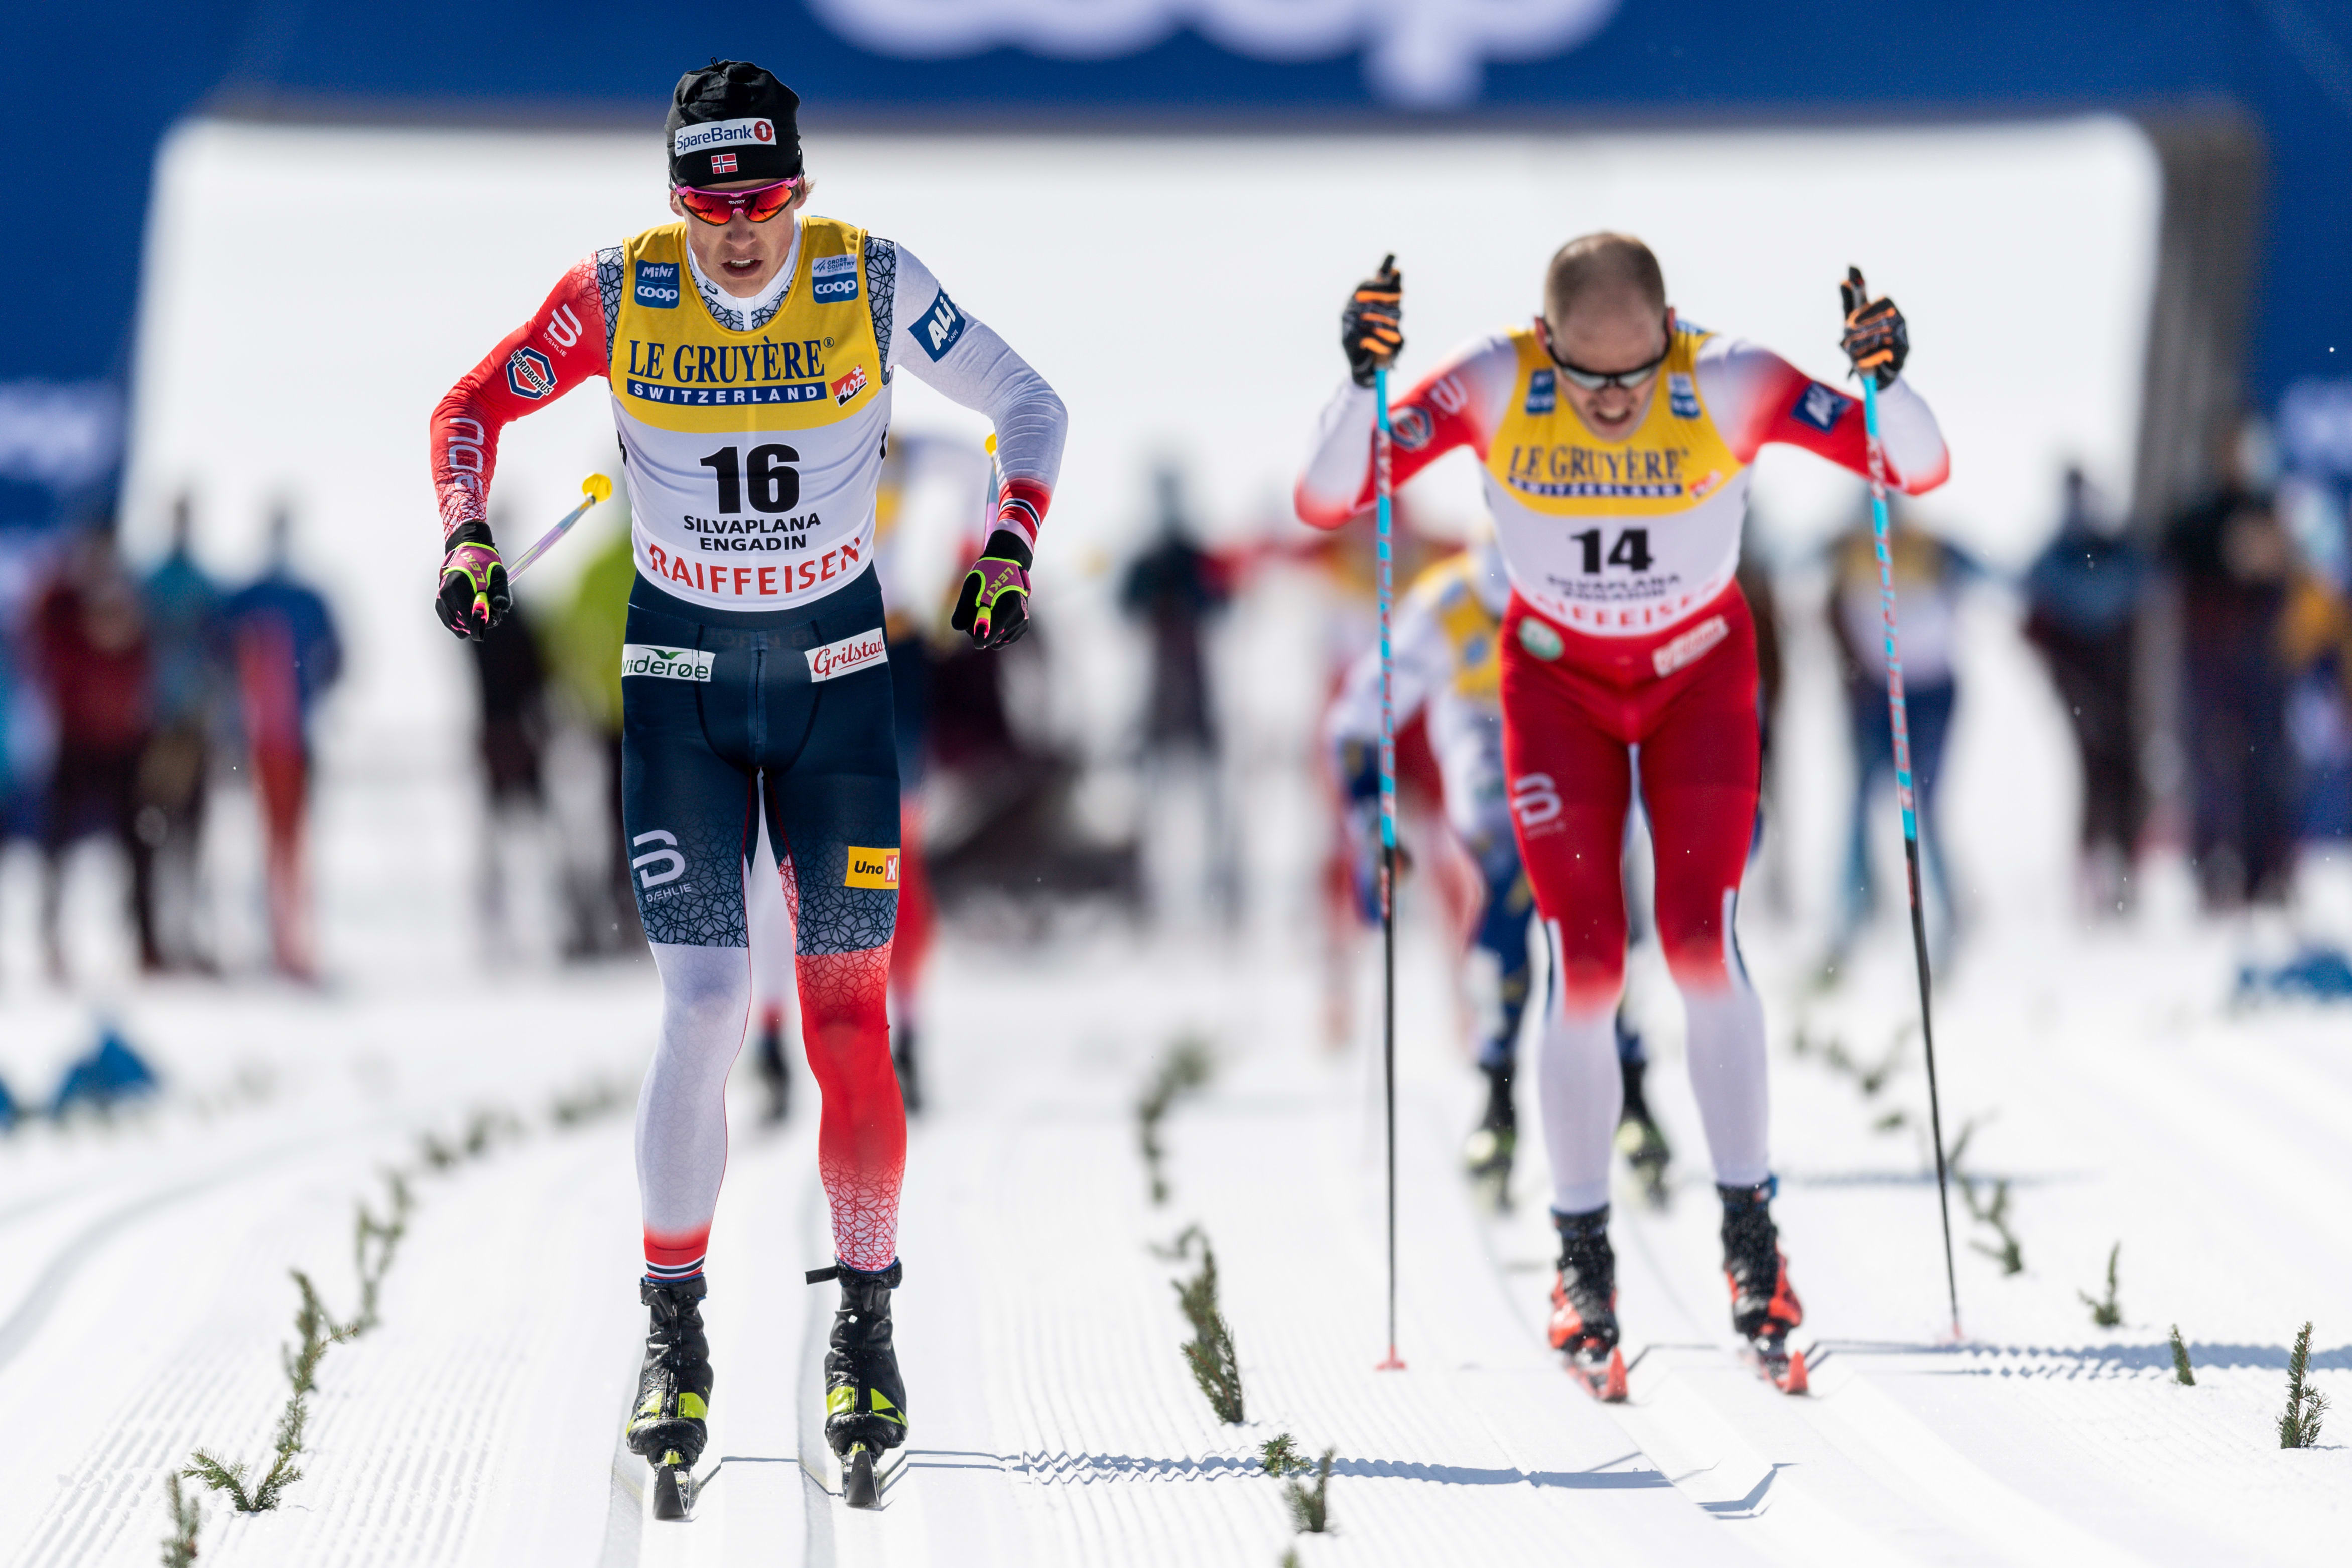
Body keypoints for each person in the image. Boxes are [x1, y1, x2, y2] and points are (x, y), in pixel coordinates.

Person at [426, 61, 1065, 1509]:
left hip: (838, 684)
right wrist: (466, 534)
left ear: (799, 190)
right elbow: (466, 407)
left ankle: (865, 1326)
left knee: (846, 1013)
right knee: (709, 1003)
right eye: (705, 205)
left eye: (760, 201)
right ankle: (674, 1333)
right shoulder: (618, 292)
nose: (734, 232)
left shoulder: (870, 278)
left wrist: (1010, 540)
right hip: (680, 688)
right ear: (674, 201)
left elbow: (1027, 403)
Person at [1296, 238, 1948, 1393]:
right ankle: (1581, 1258)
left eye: (1634, 374)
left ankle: (1752, 1241)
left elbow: (1915, 467)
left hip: (1698, 678)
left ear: (1670, 328)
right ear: (1545, 339)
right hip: (1556, 686)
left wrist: (1887, 381)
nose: (1610, 401)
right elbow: (1328, 496)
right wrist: (1360, 382)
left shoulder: (1729, 377)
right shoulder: (1495, 377)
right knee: (1585, 961)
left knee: (1697, 942)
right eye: (1585, 376)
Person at [1323, 533, 1669, 1209]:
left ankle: (1630, 1093)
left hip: (1586, 761)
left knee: (1603, 922)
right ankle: (1498, 1101)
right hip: (1493, 766)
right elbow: (1357, 720)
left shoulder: (1600, 571)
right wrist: (1370, 819)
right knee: (1511, 892)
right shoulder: (1453, 601)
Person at [1826, 500, 1975, 964]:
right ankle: (1853, 910)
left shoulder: (1933, 549)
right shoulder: (1849, 549)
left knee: (1923, 802)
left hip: (1931, 693)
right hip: (1877, 693)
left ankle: (1948, 910)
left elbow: (1988, 576)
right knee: (1861, 802)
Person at [2164, 422, 2295, 909]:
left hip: (2260, 660)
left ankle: (2266, 873)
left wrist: (2270, 556)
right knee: (2211, 765)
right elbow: (2171, 557)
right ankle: (2212, 869)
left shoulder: (2270, 510)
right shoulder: (2199, 516)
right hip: (2211, 661)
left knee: (2266, 765)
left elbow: (2288, 580)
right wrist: (2226, 550)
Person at [223, 507, 343, 981]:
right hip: (251, 741)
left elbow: (337, 657)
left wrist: (316, 692)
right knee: (259, 840)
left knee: (292, 841)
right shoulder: (251, 598)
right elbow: (215, 652)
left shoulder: (303, 598)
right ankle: (269, 937)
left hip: (294, 736)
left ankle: (290, 937)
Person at [35, 520, 159, 980]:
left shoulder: (130, 597)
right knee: (59, 845)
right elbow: (44, 651)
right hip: (76, 740)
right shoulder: (63, 603)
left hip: (123, 743)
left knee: (139, 843)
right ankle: (51, 938)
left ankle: (145, 940)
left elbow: (143, 663)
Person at [2024, 467, 2148, 913]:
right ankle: (2096, 874)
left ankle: (2123, 871)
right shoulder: (2059, 555)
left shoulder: (2111, 549)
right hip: (2080, 681)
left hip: (2116, 678)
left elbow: (2143, 578)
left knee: (2122, 771)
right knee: (2097, 772)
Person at [139, 494, 225, 972]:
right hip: (159, 725)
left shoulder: (205, 585)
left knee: (193, 837)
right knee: (155, 831)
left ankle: (189, 931)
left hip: (194, 724)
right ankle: (156, 936)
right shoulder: (151, 582)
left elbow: (221, 652)